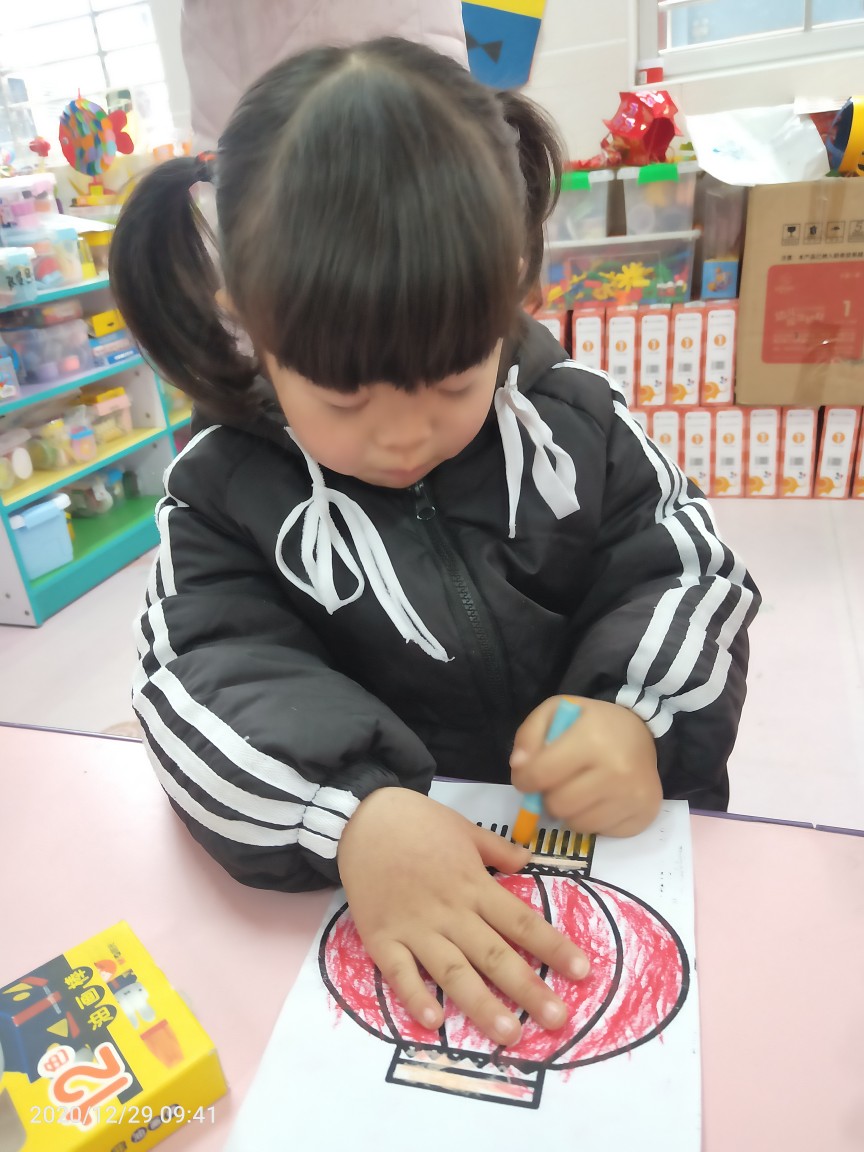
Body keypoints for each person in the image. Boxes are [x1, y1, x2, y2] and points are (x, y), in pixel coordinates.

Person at [110, 37, 760, 1050]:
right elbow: (195, 682)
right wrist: (350, 815)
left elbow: (689, 571)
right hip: (378, 884)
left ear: (511, 293)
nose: (404, 436)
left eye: (454, 382)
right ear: (251, 324)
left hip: (596, 863)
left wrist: (638, 717)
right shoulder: (220, 494)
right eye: (344, 399)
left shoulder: (577, 424)